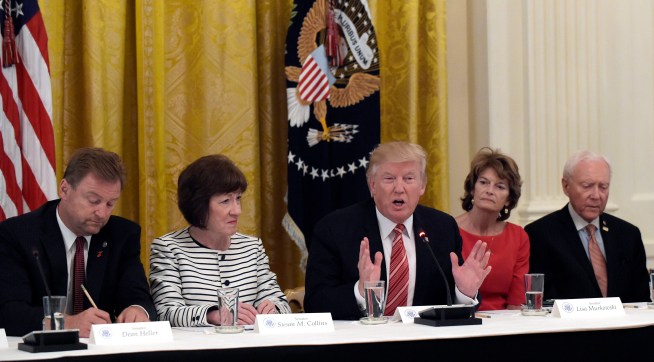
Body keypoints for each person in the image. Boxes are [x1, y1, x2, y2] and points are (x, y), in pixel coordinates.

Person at [304, 141, 491, 320]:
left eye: (409, 179)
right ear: (372, 185)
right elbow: (315, 303)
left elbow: (448, 302)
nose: (399, 188)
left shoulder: (442, 227)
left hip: (425, 344)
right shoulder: (335, 229)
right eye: (389, 178)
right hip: (361, 345)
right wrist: (361, 291)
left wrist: (465, 292)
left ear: (422, 186)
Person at [0, 148, 156, 337]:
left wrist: (137, 310)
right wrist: (66, 323)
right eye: (93, 201)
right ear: (64, 189)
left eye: (110, 204)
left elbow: (138, 295)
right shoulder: (18, 234)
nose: (102, 213)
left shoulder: (122, 235)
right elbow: (8, 311)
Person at [149, 154, 290, 327]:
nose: (237, 210)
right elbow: (165, 313)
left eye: (238, 198)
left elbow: (282, 303)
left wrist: (273, 308)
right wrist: (213, 315)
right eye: (225, 201)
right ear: (198, 205)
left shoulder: (252, 247)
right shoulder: (168, 248)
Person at [525, 150, 649, 302]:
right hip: (570, 325)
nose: (596, 195)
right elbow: (541, 301)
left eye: (603, 187)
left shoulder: (628, 235)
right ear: (566, 186)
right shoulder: (541, 234)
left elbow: (642, 300)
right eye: (587, 186)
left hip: (623, 324)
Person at [455, 147, 529, 310]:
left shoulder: (518, 237)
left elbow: (517, 301)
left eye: (500, 186)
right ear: (472, 189)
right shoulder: (449, 229)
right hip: (459, 323)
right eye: (483, 182)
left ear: (509, 199)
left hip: (505, 326)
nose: (489, 191)